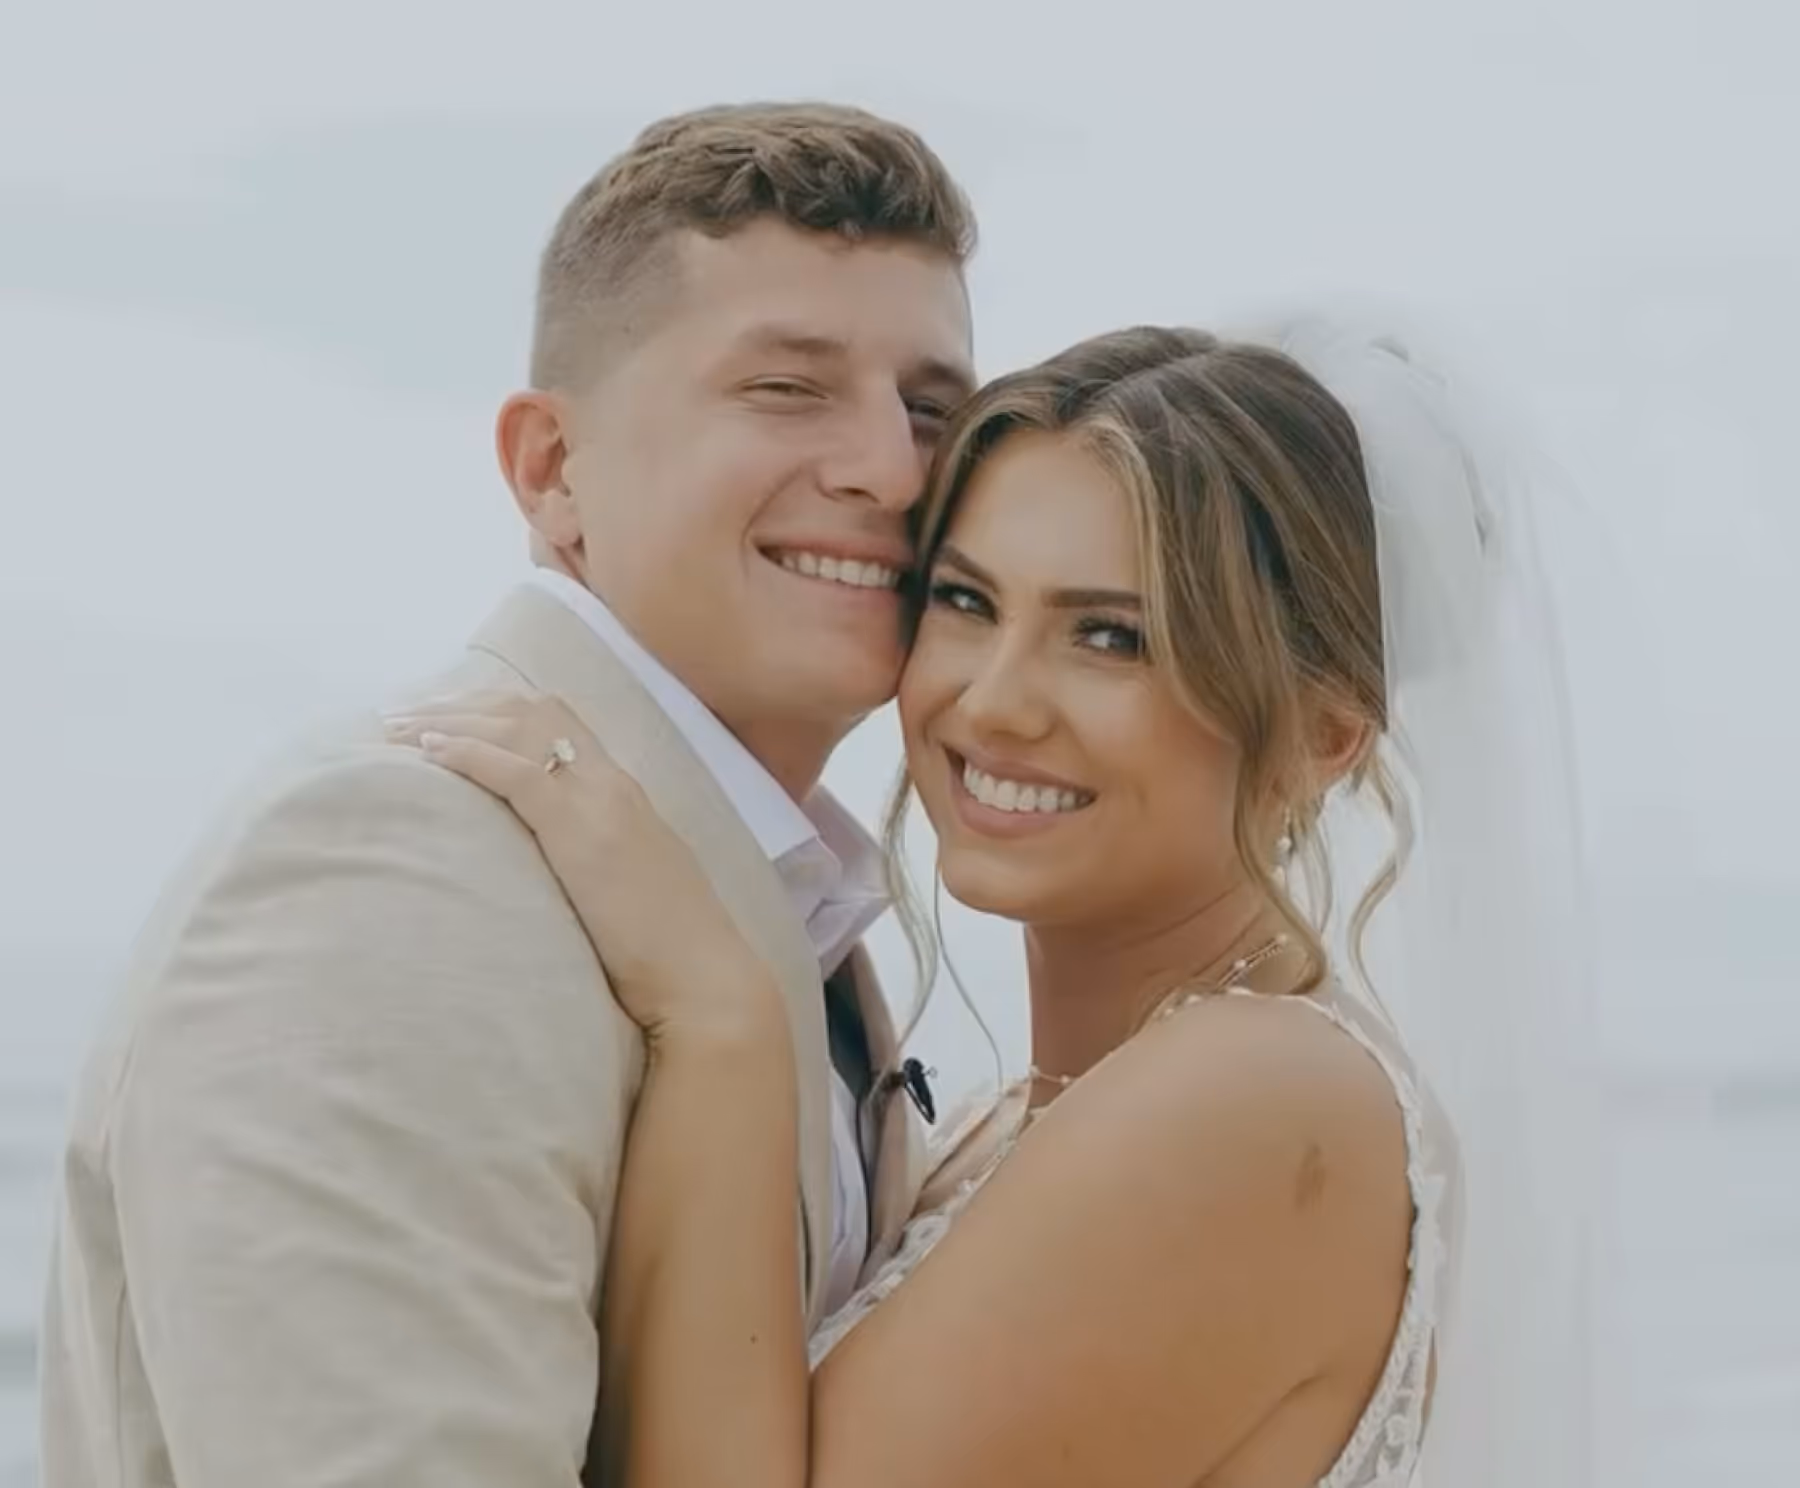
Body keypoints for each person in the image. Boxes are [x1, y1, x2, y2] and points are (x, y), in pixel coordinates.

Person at [394, 321, 1596, 1486]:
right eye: (966, 603)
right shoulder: (1001, 1126)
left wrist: (717, 1008)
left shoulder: (1259, 1096)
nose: (995, 702)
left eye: (1113, 637)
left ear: (1324, 739)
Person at [38, 101, 978, 1488]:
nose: (890, 469)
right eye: (787, 387)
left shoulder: (792, 917)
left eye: (932, 410)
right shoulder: (395, 873)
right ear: (553, 472)